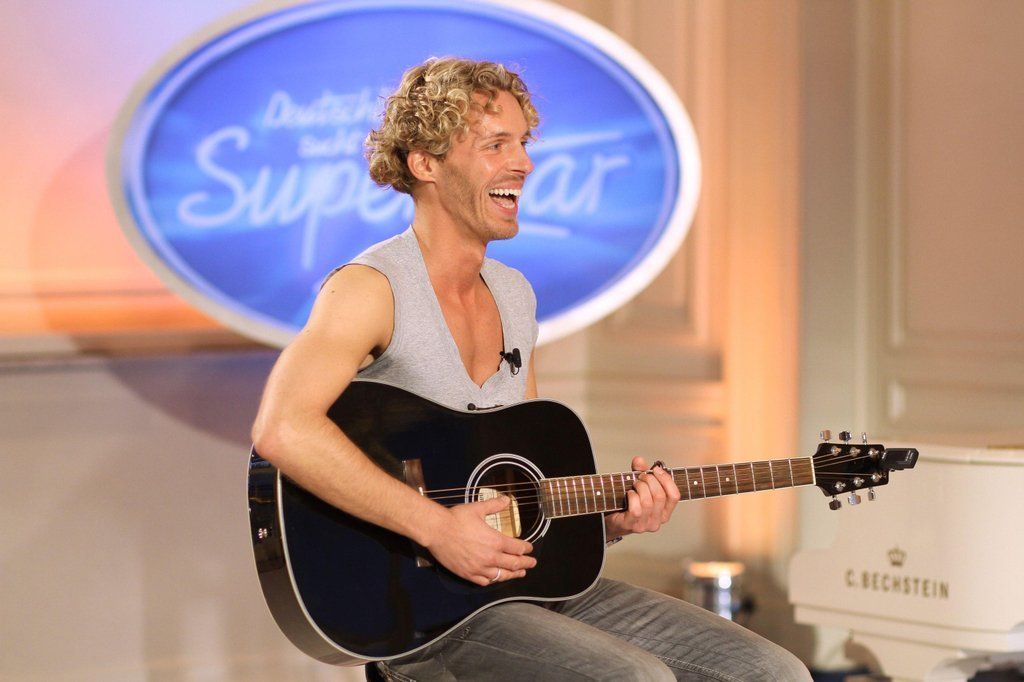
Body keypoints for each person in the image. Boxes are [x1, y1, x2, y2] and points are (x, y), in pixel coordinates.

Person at [252, 57, 811, 681]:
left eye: (523, 143)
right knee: (633, 679)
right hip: (425, 613)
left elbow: (527, 480)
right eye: (496, 145)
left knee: (771, 671)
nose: (523, 163)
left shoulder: (514, 295)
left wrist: (611, 521)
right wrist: (437, 528)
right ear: (425, 163)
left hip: (525, 584)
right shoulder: (369, 288)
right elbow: (284, 428)